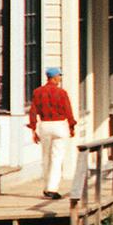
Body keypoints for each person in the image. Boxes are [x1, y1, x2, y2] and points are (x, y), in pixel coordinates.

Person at [27, 68, 78, 198]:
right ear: (54, 77)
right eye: (59, 76)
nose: (60, 78)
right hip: (59, 125)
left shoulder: (37, 92)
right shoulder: (61, 93)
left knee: (46, 157)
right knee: (57, 158)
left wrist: (33, 129)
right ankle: (52, 188)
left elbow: (33, 111)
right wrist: (71, 126)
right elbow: (68, 111)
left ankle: (45, 187)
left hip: (44, 125)